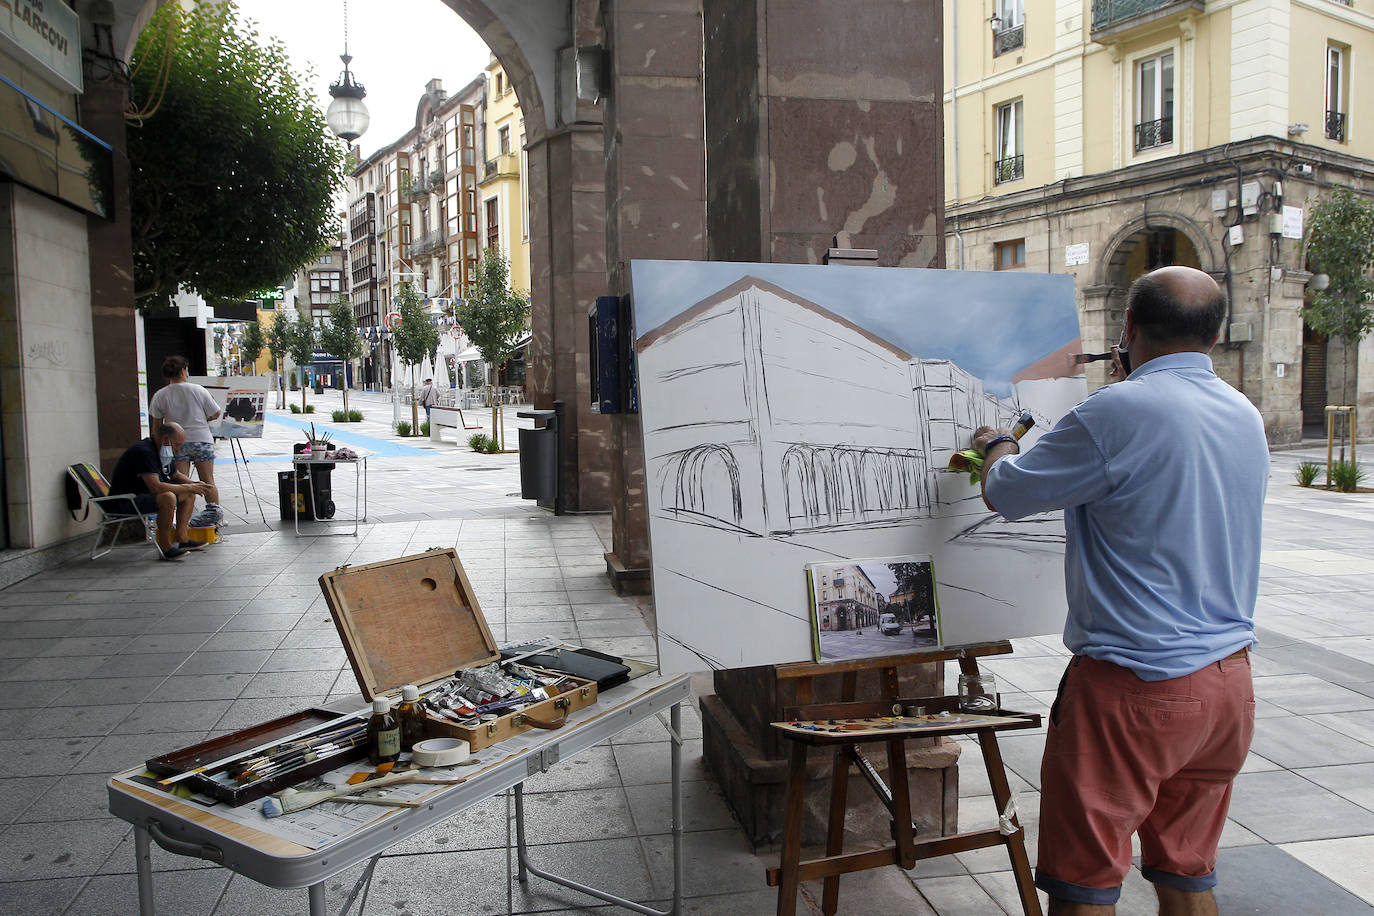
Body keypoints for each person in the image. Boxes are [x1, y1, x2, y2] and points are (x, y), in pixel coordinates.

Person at [974, 266, 1269, 916]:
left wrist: (995, 444)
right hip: (1227, 688)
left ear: (1128, 330)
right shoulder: (1244, 413)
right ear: (1215, 337)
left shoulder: (1117, 410)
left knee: (1086, 885)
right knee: (1188, 874)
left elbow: (1008, 490)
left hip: (1136, 687)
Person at [109, 421, 215, 560]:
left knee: (189, 494)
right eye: (177, 444)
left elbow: (175, 474)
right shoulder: (144, 452)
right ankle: (166, 547)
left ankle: (182, 538)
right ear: (166, 439)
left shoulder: (162, 450)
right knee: (168, 497)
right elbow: (156, 486)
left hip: (144, 496)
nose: (177, 449)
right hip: (126, 501)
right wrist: (189, 486)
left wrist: (194, 484)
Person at [148, 355, 222, 523]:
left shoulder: (160, 395)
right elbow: (215, 412)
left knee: (183, 483)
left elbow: (157, 426)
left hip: (176, 443)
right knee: (208, 480)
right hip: (201, 440)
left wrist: (158, 446)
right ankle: (215, 517)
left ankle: (184, 521)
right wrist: (204, 419)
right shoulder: (198, 389)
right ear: (183, 370)